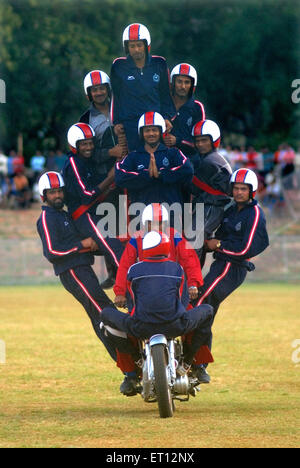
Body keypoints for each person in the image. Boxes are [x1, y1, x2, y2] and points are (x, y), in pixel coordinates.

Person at [101, 231, 214, 396]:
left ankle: (134, 365)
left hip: (140, 327)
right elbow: (182, 301)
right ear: (166, 247)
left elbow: (132, 301)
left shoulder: (134, 270)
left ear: (145, 248)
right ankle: (190, 362)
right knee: (208, 311)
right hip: (175, 326)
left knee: (105, 315)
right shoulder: (177, 269)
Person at [196, 168, 269, 382]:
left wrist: (217, 245)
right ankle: (198, 363)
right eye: (236, 188)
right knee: (206, 310)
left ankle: (194, 360)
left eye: (243, 189)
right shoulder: (231, 210)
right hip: (220, 265)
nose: (238, 192)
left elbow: (246, 249)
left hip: (232, 267)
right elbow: (220, 236)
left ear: (252, 191)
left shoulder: (254, 214)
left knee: (200, 301)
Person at [36, 171, 116, 360]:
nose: (57, 195)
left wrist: (94, 245)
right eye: (52, 192)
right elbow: (52, 252)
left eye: (59, 191)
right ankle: (127, 361)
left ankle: (127, 364)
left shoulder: (63, 214)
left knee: (99, 314)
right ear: (43, 196)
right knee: (104, 312)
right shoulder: (47, 218)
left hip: (82, 269)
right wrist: (83, 245)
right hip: (72, 272)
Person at [80, 69, 127, 288]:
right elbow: (85, 153)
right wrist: (111, 152)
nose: (99, 92)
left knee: (130, 225)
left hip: (129, 173)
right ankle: (113, 270)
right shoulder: (86, 119)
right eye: (94, 89)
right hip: (105, 179)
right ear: (89, 93)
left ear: (108, 89)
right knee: (109, 226)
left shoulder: (123, 107)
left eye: (101, 88)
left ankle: (132, 271)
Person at [62, 122, 124, 280]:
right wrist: (110, 178)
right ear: (75, 145)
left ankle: (119, 278)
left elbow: (97, 188)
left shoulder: (86, 162)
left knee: (119, 242)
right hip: (83, 216)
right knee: (114, 246)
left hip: (93, 212)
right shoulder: (74, 164)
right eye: (84, 144)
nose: (88, 147)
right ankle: (126, 281)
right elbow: (87, 194)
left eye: (90, 143)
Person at [114, 202, 203, 309]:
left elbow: (189, 259)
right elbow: (125, 266)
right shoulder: (136, 238)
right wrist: (120, 292)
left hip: (171, 289)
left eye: (160, 223)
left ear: (166, 223)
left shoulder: (174, 235)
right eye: (151, 223)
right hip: (145, 291)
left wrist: (193, 284)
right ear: (144, 224)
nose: (156, 226)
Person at [110, 23, 175, 152]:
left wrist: (167, 117)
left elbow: (165, 94)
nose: (136, 49)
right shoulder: (118, 66)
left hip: (155, 123)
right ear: (127, 47)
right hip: (131, 124)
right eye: (132, 46)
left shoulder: (159, 63)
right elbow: (115, 96)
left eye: (139, 45)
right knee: (136, 162)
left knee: (157, 161)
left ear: (146, 45)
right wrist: (116, 122)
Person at [115, 111, 193, 214]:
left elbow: (188, 170)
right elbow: (119, 177)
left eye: (154, 130)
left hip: (171, 214)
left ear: (161, 132)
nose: (151, 133)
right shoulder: (133, 156)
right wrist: (147, 175)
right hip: (141, 216)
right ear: (141, 133)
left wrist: (161, 175)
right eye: (147, 130)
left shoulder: (173, 153)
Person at [190, 119, 232, 267]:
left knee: (193, 241)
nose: (200, 144)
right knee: (196, 242)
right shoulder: (212, 158)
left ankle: (191, 282)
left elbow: (191, 186)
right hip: (208, 206)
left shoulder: (210, 161)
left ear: (214, 140)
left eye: (204, 140)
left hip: (211, 207)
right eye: (197, 141)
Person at [164, 63, 205, 161]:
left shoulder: (197, 107)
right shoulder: (163, 103)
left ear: (192, 85)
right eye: (179, 81)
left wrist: (177, 141)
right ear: (173, 82)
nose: (183, 86)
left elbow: (200, 141)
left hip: (188, 159)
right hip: (162, 156)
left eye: (187, 82)